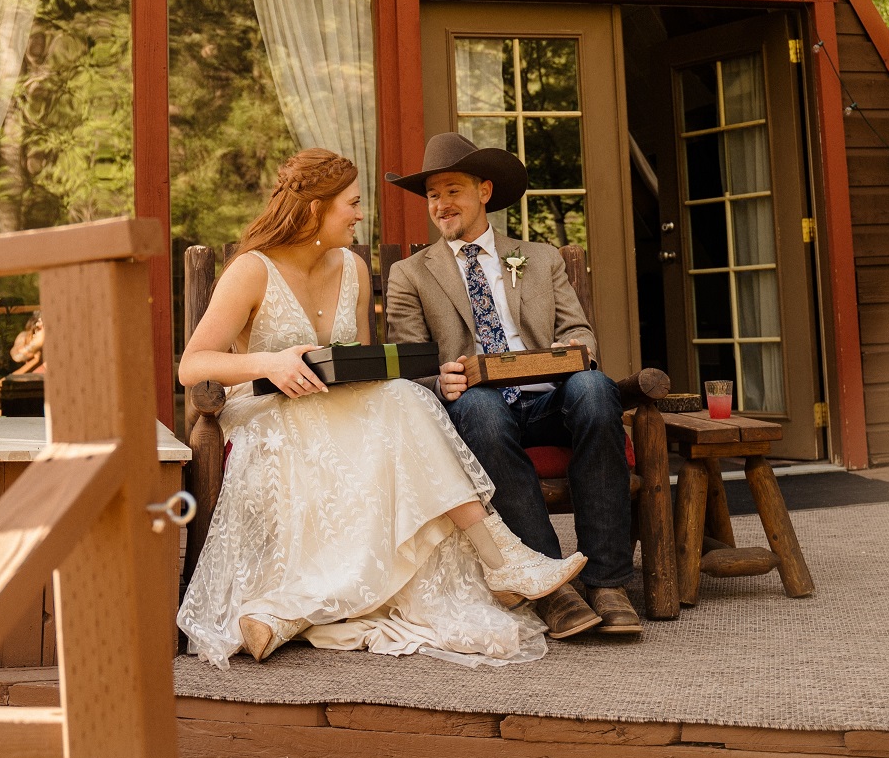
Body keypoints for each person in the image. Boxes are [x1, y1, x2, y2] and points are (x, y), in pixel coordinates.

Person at [177, 148, 587, 667]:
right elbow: (193, 365)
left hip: (339, 410)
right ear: (315, 210)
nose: (359, 214)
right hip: (267, 414)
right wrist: (271, 363)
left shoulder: (351, 267)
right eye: (351, 204)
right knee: (395, 407)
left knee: (402, 395)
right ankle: (500, 556)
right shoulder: (252, 271)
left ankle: (498, 559)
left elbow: (364, 368)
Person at [384, 134, 642, 640]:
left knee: (594, 388)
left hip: (551, 400)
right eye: (433, 195)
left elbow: (578, 330)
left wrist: (577, 351)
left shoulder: (540, 258)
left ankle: (608, 582)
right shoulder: (411, 274)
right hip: (477, 410)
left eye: (452, 191)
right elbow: (408, 364)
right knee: (481, 408)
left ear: (484, 191)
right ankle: (551, 587)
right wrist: (438, 380)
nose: (441, 204)